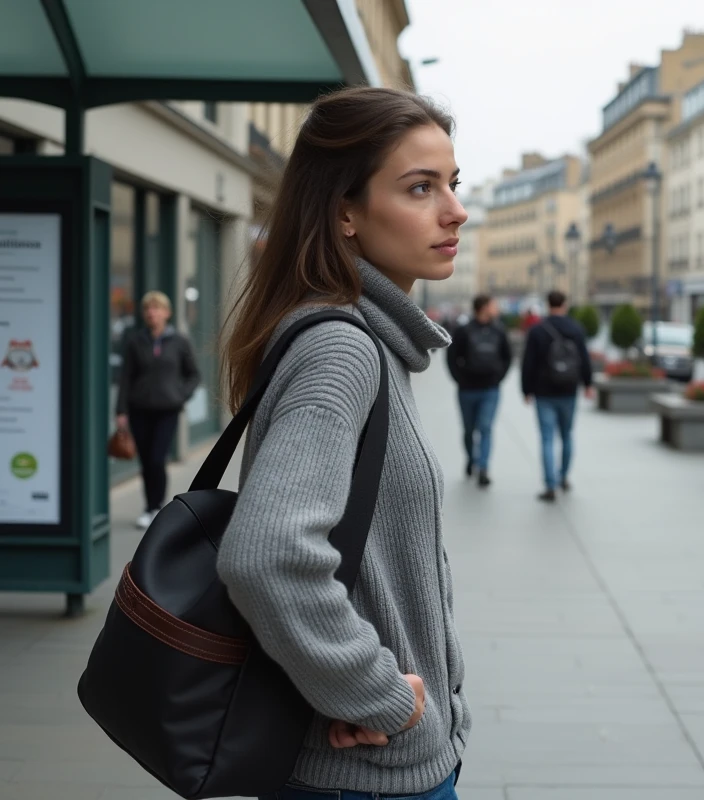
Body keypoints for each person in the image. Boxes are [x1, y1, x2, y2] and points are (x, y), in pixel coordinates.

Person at [216, 87, 470, 800]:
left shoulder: (371, 343)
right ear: (345, 212)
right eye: (420, 188)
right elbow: (267, 555)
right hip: (364, 777)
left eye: (453, 184)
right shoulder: (343, 349)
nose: (456, 210)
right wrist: (382, 697)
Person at [115, 290, 200, 530]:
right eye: (147, 309)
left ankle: (157, 507)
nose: (151, 313)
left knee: (156, 458)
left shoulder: (179, 341)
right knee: (145, 461)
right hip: (139, 409)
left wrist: (180, 395)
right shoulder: (135, 341)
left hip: (167, 411)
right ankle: (149, 507)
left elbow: (193, 375)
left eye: (156, 308)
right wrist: (120, 411)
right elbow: (125, 378)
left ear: (167, 313)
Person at [521, 290, 594, 502]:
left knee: (546, 439)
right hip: (569, 390)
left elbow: (529, 363)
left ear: (547, 304)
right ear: (565, 304)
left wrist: (526, 390)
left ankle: (550, 485)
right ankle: (563, 477)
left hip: (544, 392)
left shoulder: (537, 330)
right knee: (567, 435)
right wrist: (588, 384)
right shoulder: (576, 329)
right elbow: (584, 359)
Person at [447, 293, 511, 486]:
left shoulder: (499, 330)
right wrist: (459, 379)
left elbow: (507, 357)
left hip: (490, 389)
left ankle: (483, 467)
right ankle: (471, 459)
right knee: (468, 430)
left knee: (485, 427)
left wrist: (498, 378)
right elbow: (452, 357)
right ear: (483, 307)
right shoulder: (464, 330)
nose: (496, 308)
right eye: (494, 305)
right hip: (467, 389)